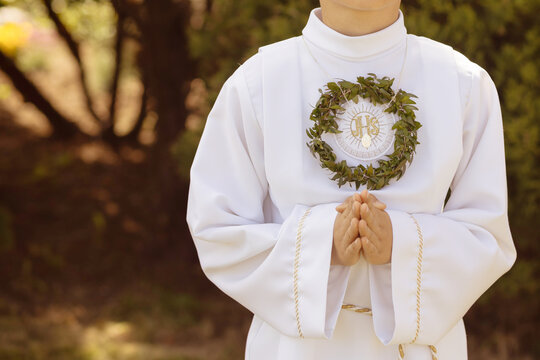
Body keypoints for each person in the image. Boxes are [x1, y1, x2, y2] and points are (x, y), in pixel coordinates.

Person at [186, 1, 517, 359]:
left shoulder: (462, 83)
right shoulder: (259, 82)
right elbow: (217, 230)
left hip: (419, 349)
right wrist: (322, 243)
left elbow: (488, 235)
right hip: (298, 350)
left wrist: (401, 243)